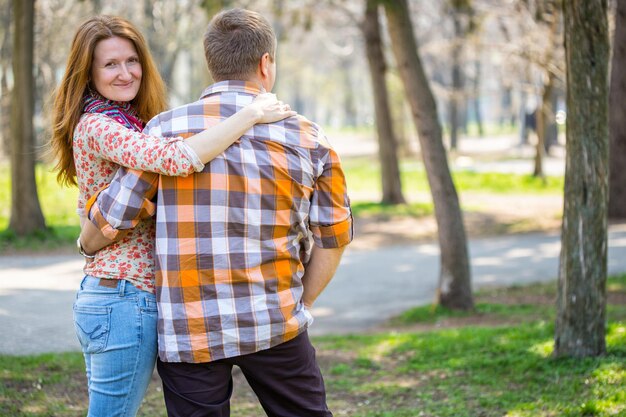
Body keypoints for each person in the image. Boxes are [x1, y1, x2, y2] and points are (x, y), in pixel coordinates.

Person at [82, 8, 353, 416]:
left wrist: (86, 242)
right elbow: (333, 239)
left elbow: (108, 222)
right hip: (275, 320)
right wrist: (301, 302)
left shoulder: (163, 129)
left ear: (211, 64)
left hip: (190, 332)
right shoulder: (309, 137)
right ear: (265, 64)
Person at [49, 15, 294, 417]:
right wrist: (250, 114)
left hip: (117, 294)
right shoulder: (99, 125)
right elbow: (176, 158)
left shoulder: (127, 122)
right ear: (88, 74)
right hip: (124, 297)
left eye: (132, 61)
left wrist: (86, 240)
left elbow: (96, 212)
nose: (126, 73)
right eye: (110, 64)